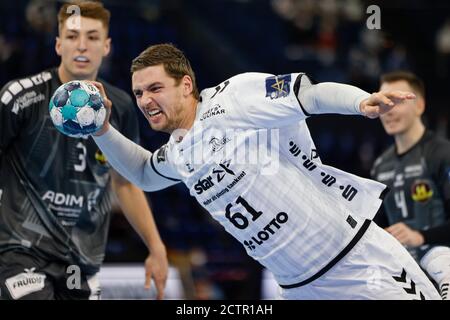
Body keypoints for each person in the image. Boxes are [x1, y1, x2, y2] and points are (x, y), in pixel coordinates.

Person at [91, 43, 441, 299]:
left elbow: (311, 96)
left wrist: (359, 102)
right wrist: (101, 129)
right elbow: (142, 173)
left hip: (355, 262)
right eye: (138, 93)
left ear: (185, 85)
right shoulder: (178, 153)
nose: (145, 101)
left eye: (155, 88)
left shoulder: (232, 100)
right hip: (298, 289)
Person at [0, 1, 168, 300]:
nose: (81, 46)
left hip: (81, 260)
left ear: (106, 46)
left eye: (92, 37)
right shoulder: (21, 97)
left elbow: (126, 183)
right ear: (58, 44)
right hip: (20, 252)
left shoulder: (121, 107)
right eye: (72, 36)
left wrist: (156, 247)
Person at [371, 71, 450, 300]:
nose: (389, 110)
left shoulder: (442, 154)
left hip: (442, 273)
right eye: (384, 102)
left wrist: (420, 236)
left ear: (420, 105)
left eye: (396, 102)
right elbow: (379, 228)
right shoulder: (380, 166)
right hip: (403, 282)